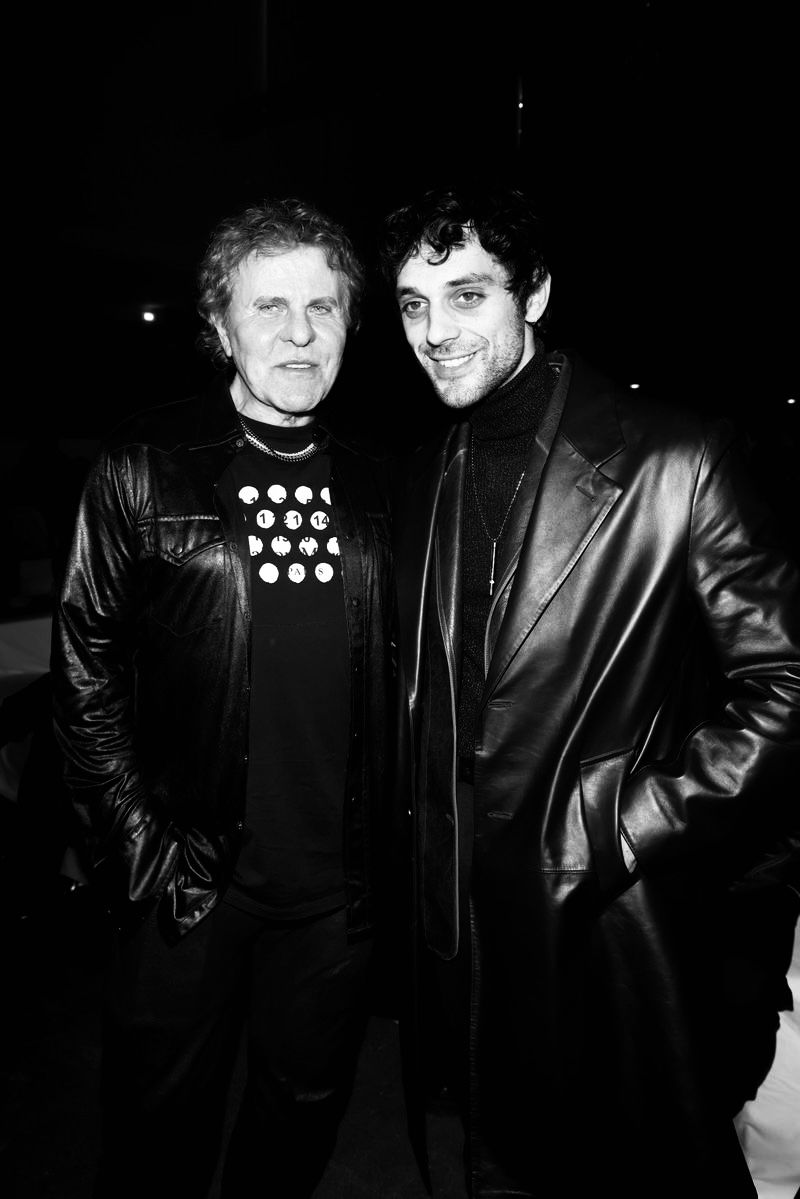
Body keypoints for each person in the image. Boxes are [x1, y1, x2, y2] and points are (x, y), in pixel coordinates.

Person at [381, 185, 800, 1198]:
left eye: (467, 295)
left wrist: (623, 822)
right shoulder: (424, 471)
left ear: (534, 294)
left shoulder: (674, 457)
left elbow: (786, 682)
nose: (435, 331)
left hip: (608, 916)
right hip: (460, 929)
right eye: (412, 304)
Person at [51, 198, 393, 1198]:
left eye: (322, 306)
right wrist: (139, 847)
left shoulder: (383, 478)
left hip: (336, 897)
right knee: (158, 1128)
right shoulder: (145, 463)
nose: (298, 332)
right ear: (218, 325)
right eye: (268, 306)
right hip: (190, 879)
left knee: (299, 1117)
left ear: (348, 322)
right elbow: (86, 667)